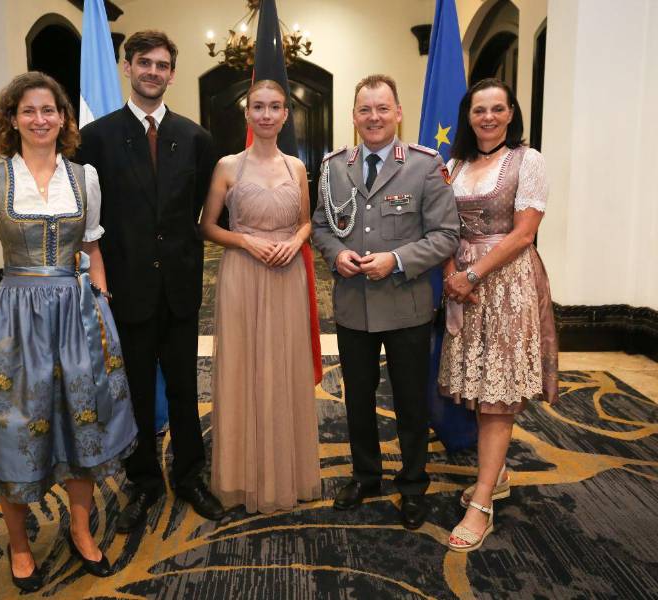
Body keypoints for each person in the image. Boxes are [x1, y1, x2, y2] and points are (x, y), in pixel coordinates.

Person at [0, 72, 138, 592]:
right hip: (14, 317)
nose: (40, 120)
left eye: (49, 110)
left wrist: (100, 301)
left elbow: (92, 247)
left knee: (82, 423)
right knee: (13, 426)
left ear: (62, 118)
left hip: (76, 315)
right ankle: (18, 544)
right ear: (13, 118)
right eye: (29, 111)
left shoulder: (84, 177)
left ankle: (79, 530)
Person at [75, 30, 224, 532]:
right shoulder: (95, 138)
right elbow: (88, 218)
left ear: (172, 73)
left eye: (162, 65)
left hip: (180, 289)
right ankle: (143, 482)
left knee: (185, 389)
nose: (153, 72)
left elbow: (197, 206)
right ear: (127, 67)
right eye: (145, 63)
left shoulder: (196, 137)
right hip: (126, 289)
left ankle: (189, 475)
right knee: (135, 391)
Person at [311, 74, 459, 530]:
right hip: (354, 305)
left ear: (398, 113)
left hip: (407, 305)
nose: (373, 117)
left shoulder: (424, 164)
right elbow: (320, 225)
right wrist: (338, 255)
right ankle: (366, 476)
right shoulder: (335, 165)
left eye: (382, 109)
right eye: (364, 110)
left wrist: (395, 259)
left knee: (411, 402)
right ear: (354, 117)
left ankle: (413, 484)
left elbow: (446, 235)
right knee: (356, 399)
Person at [438, 77, 558, 552]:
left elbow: (524, 233)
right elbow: (443, 226)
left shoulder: (528, 161)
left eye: (496, 109)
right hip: (462, 284)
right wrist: (452, 273)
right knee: (477, 382)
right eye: (478, 109)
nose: (487, 117)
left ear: (511, 114)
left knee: (496, 394)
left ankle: (482, 500)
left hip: (506, 283)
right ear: (468, 116)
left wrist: (473, 274)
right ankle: (497, 471)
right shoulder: (455, 163)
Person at [200, 80, 321, 514]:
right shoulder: (227, 165)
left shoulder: (297, 167)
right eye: (258, 107)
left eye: (275, 107)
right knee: (244, 367)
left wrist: (297, 241)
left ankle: (285, 472)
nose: (266, 114)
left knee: (283, 367)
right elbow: (207, 226)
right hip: (242, 273)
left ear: (286, 114)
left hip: (286, 275)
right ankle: (240, 476)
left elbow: (307, 221)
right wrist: (247, 243)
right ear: (246, 113)